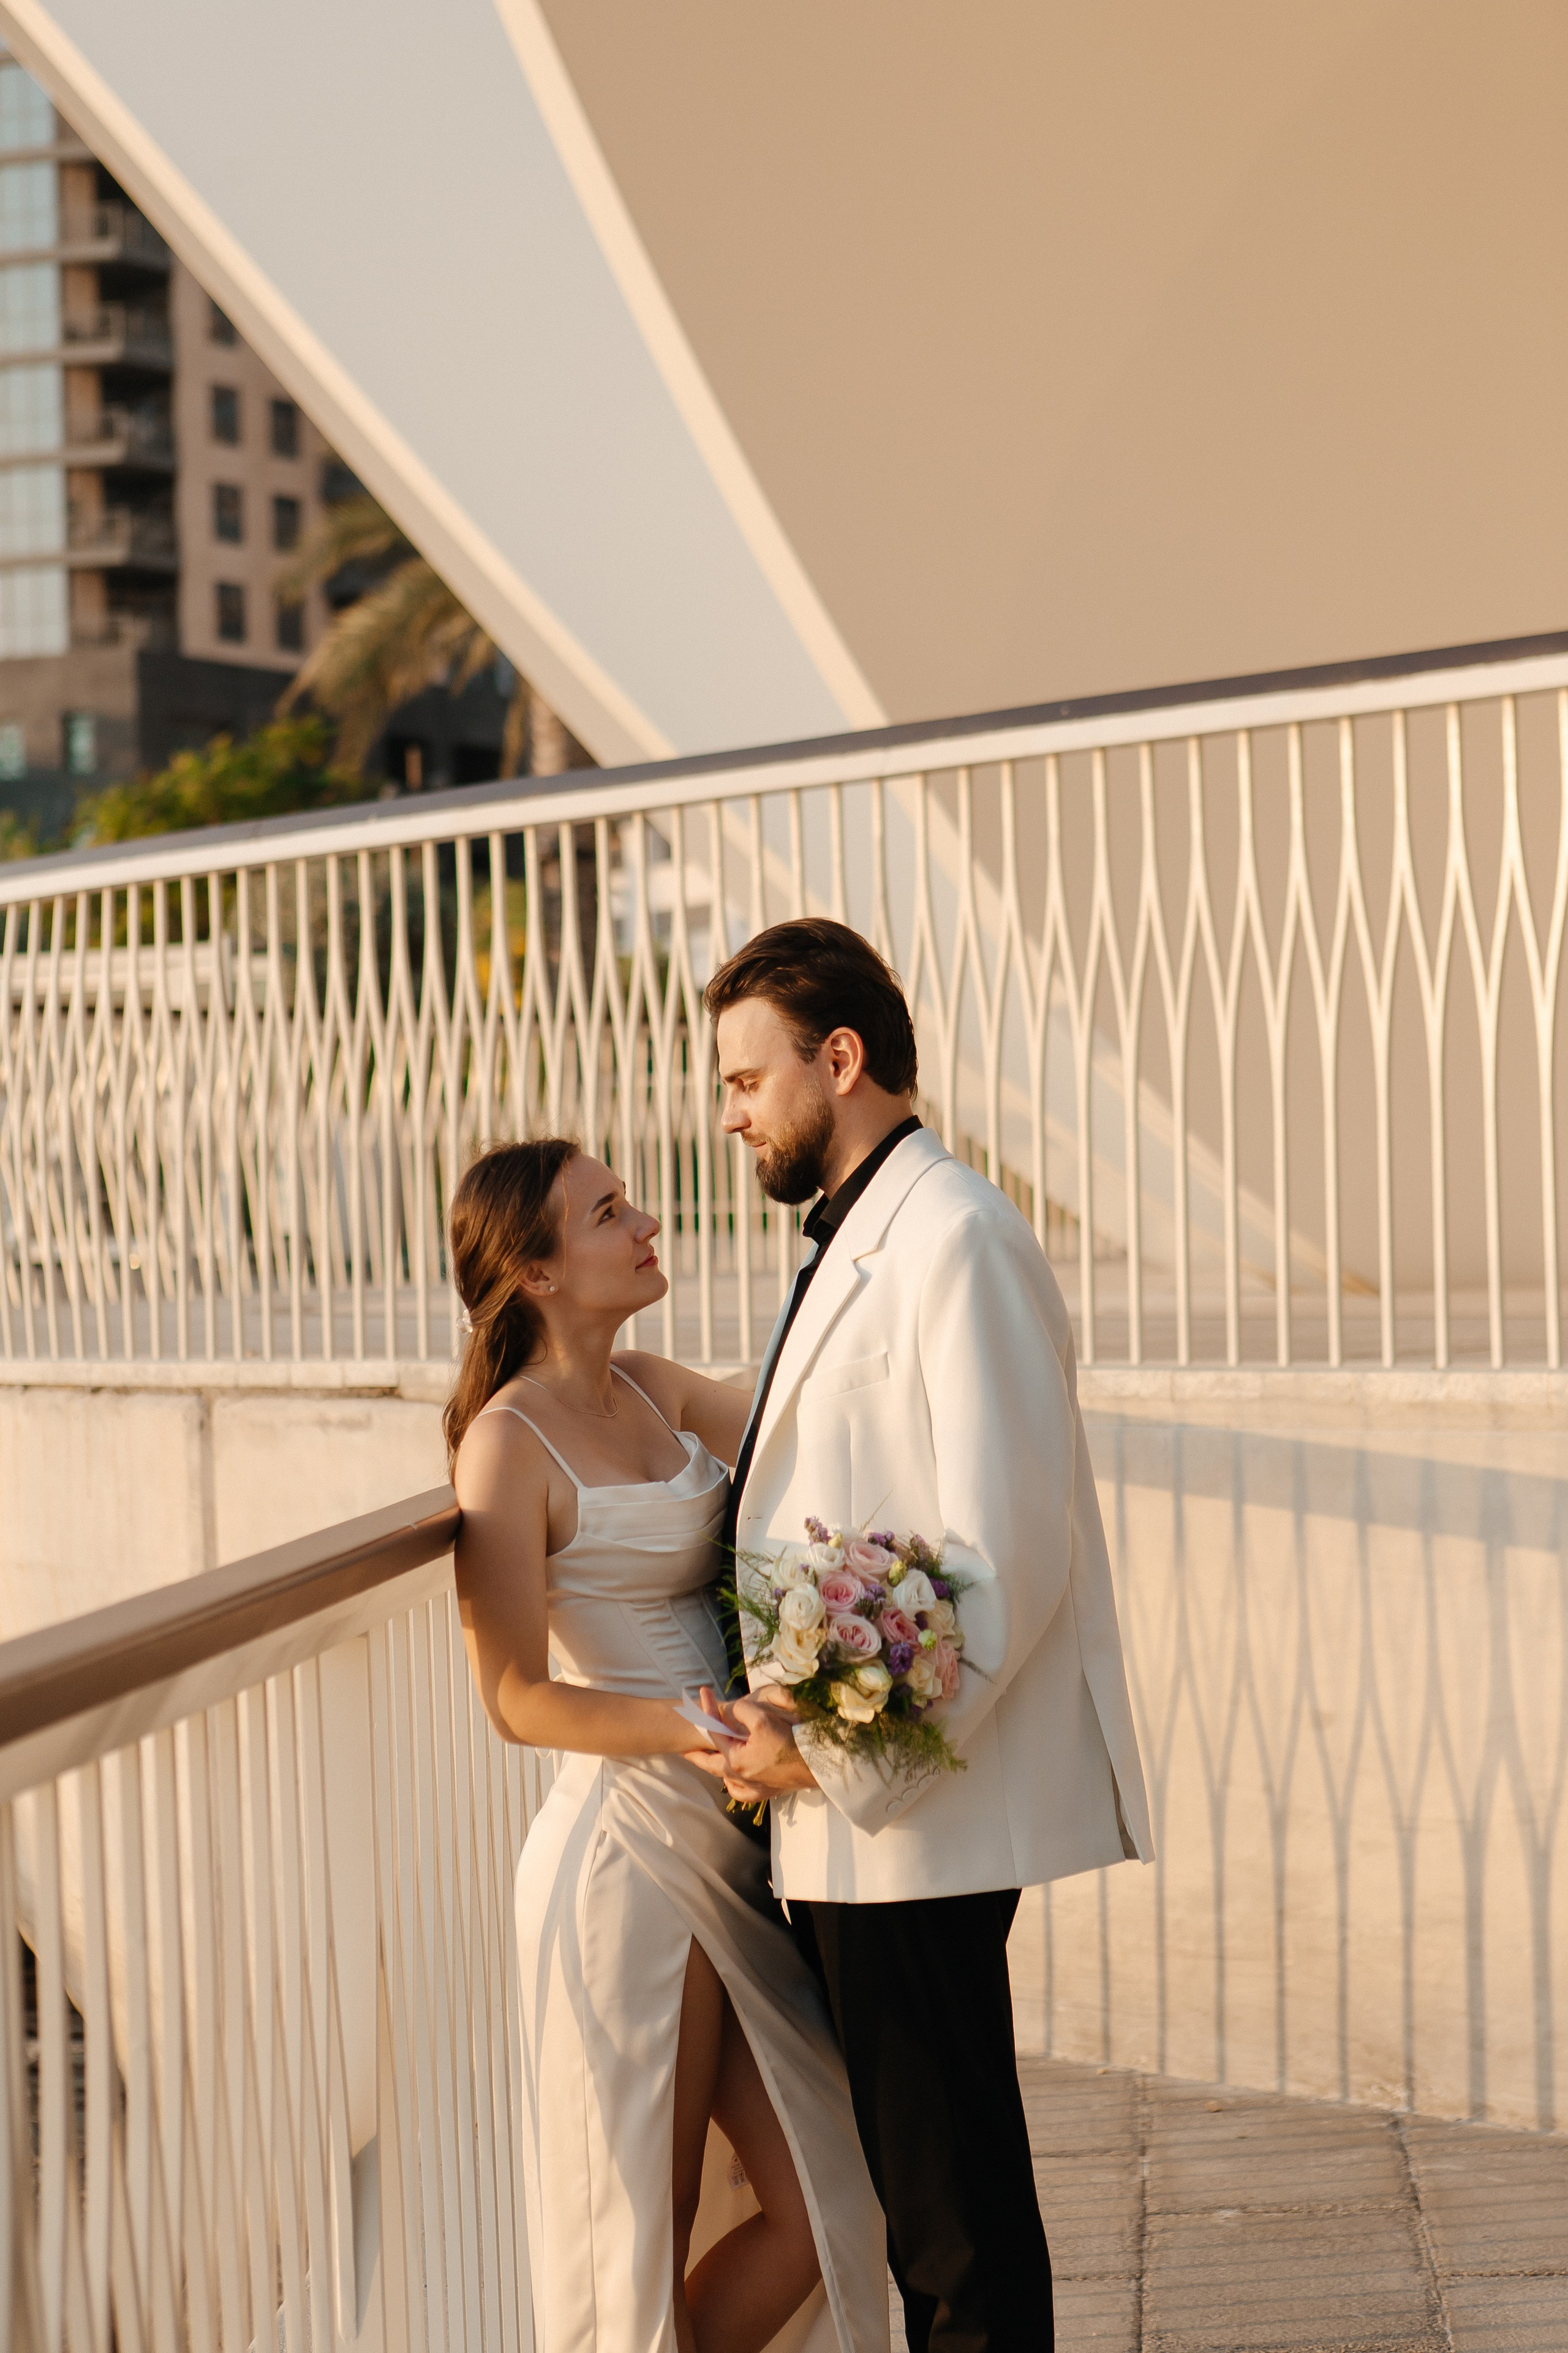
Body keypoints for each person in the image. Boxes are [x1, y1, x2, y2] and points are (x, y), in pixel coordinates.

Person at [690, 917, 1155, 2353]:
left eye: (747, 1077)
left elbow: (1001, 1550)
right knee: (920, 2200)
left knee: (951, 2221)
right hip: (867, 1811)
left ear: (842, 1059)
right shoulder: (868, 1232)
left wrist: (821, 1750)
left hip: (907, 1813)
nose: (729, 1110)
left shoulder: (955, 1232)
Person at [448, 1138, 891, 2353]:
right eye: (607, 1212)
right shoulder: (505, 1443)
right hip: (624, 1857)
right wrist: (694, 1724)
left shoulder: (649, 1384)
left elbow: (810, 1406)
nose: (646, 1222)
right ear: (535, 1270)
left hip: (729, 1835)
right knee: (641, 2227)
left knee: (827, 2201)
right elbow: (515, 1696)